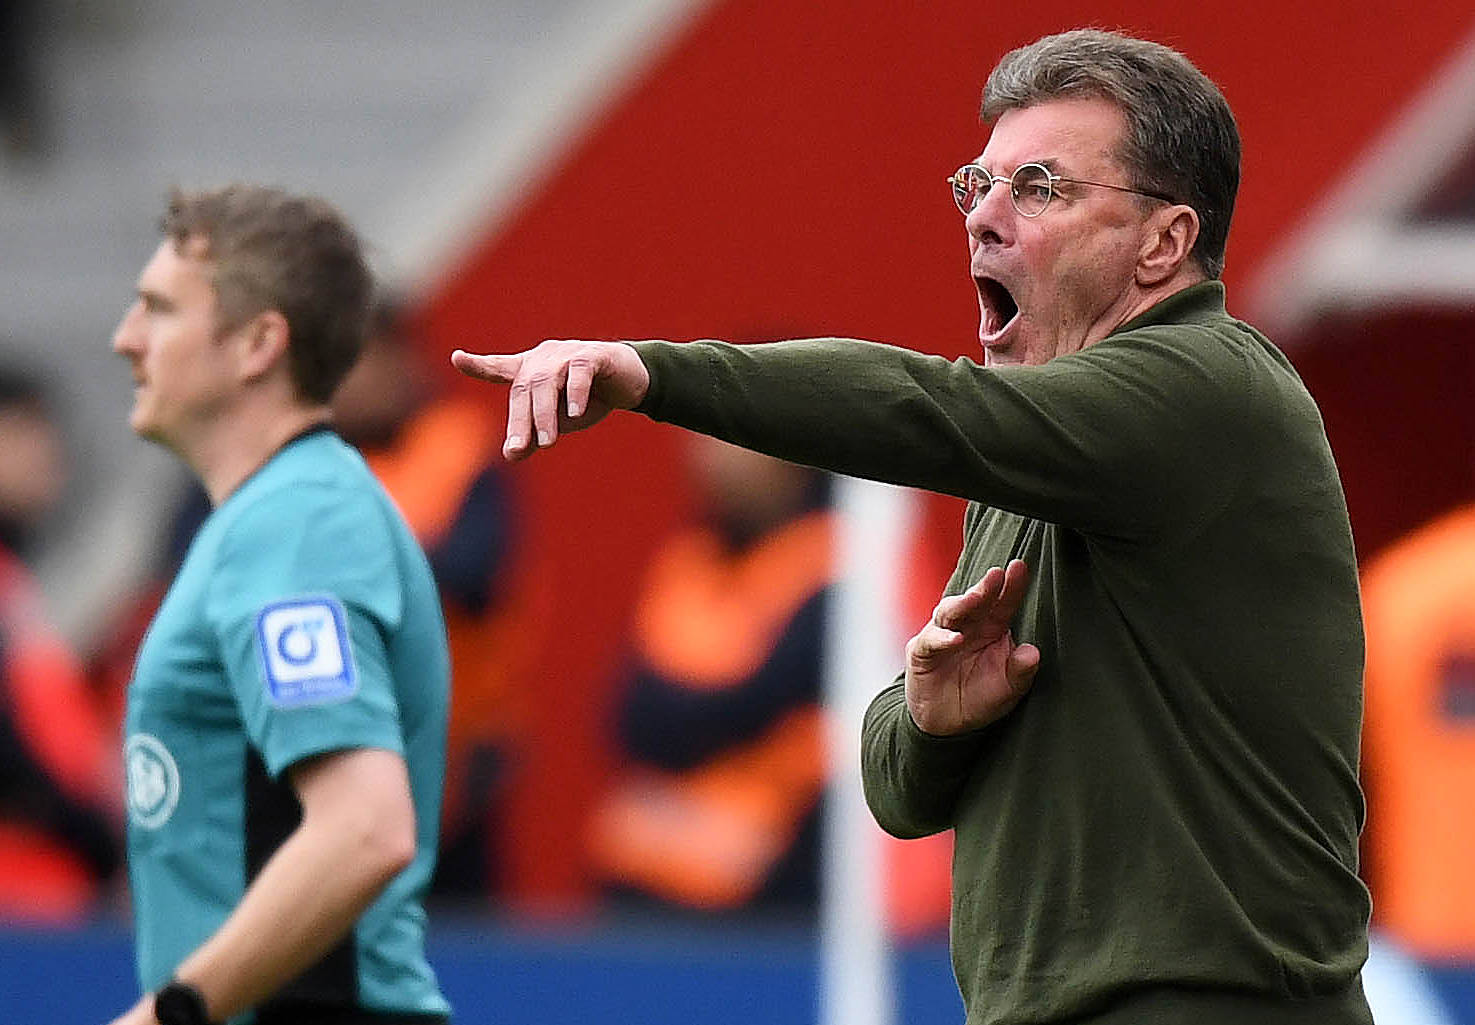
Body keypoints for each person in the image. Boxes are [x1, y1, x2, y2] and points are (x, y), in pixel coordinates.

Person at [451, 27, 1373, 1025]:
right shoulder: (1028, 460)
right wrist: (931, 716)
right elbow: (897, 795)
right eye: (977, 184)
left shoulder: (1213, 386)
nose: (981, 216)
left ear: (1163, 241)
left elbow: (928, 407)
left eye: (1037, 189)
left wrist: (653, 373)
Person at [106, 185, 451, 1025]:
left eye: (160, 309)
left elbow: (364, 829)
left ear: (259, 343)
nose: (126, 338)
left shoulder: (296, 526)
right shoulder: (272, 515)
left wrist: (168, 1015)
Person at [0, 364, 122, 923]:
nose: (47, 456)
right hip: (25, 903)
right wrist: (99, 841)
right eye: (22, 433)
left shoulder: (16, 577)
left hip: (55, 898)